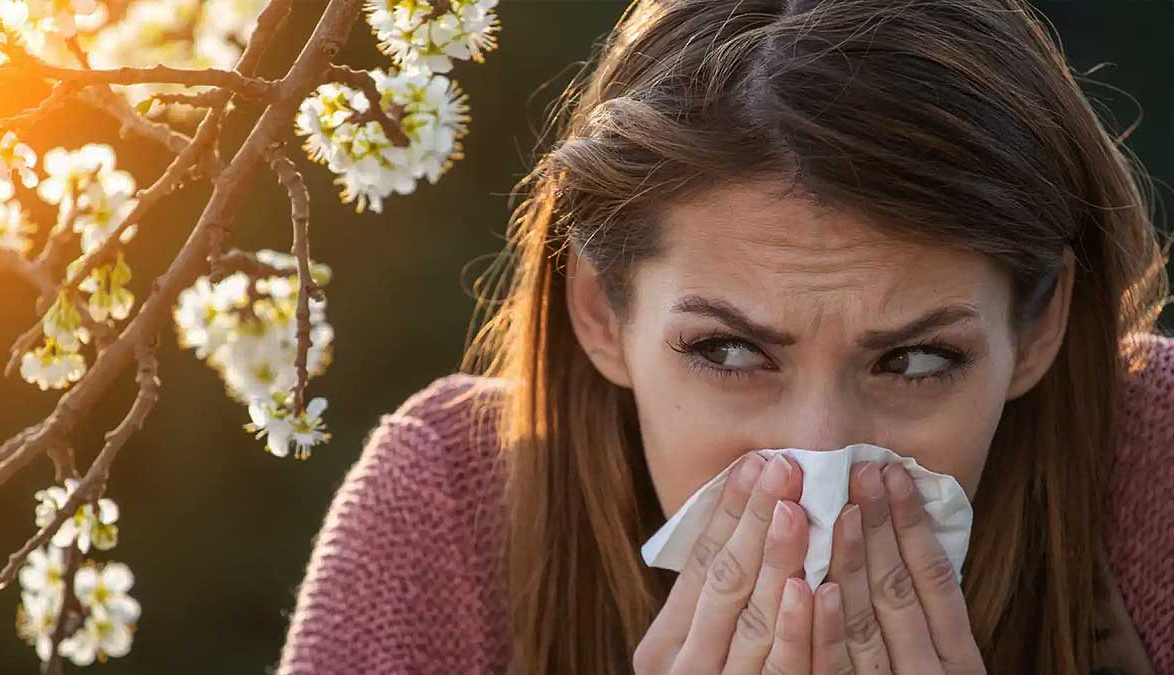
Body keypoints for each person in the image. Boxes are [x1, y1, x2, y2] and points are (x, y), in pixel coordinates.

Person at [275, 0, 1173, 673]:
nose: (815, 456)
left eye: (916, 360)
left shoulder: (1150, 464)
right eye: (729, 351)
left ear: (1042, 325)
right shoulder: (453, 505)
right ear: (600, 312)